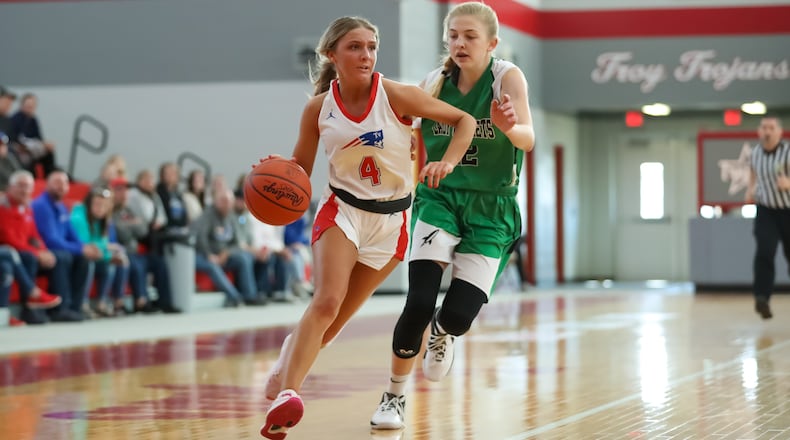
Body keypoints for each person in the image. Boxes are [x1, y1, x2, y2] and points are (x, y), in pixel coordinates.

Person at [258, 15, 476, 440]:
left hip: (391, 221)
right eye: (356, 46)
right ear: (331, 55)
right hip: (342, 210)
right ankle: (288, 395)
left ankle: (287, 358)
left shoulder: (395, 95)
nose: (366, 55)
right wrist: (271, 183)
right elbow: (299, 173)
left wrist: (446, 161)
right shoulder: (318, 108)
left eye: (372, 47)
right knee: (325, 303)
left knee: (333, 324)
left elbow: (464, 121)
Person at [369, 2, 535, 430]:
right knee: (419, 300)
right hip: (440, 198)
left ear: (491, 44)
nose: (459, 44)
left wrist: (507, 126)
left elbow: (528, 139)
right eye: (453, 36)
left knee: (458, 315)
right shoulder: (433, 84)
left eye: (469, 37)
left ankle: (443, 334)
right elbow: (404, 139)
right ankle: (394, 397)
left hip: (492, 208)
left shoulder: (507, 78)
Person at [32, 170, 103, 321]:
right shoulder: (41, 205)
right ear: (47, 184)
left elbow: (73, 235)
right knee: (63, 257)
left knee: (83, 258)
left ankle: (75, 307)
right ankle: (60, 308)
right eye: (57, 182)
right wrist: (80, 248)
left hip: (60, 250)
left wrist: (85, 248)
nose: (61, 186)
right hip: (43, 251)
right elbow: (51, 240)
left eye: (64, 183)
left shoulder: (61, 206)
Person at [745, 115, 788, 320]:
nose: (767, 131)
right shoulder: (755, 154)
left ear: (780, 131)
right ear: (759, 131)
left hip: (788, 210)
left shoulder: (788, 152)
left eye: (771, 127)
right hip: (766, 210)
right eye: (764, 127)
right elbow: (753, 175)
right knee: (764, 250)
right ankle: (762, 297)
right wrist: (750, 190)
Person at [11, 93, 58, 177]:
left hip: (34, 148)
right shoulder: (15, 119)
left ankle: (50, 176)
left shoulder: (33, 120)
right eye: (28, 105)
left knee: (49, 151)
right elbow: (15, 139)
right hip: (20, 149)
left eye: (32, 106)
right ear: (22, 105)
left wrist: (45, 145)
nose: (30, 108)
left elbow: (39, 137)